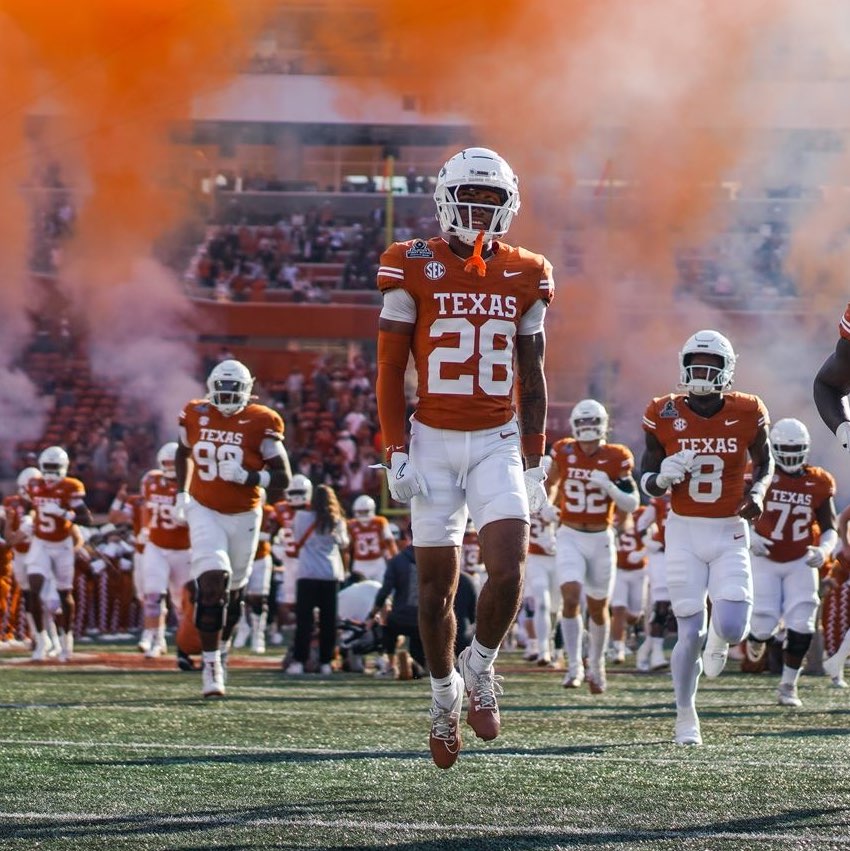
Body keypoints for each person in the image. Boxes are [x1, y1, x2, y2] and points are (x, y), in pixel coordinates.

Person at [375, 146, 554, 769]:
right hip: (431, 438)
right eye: (471, 198)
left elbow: (531, 376)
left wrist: (535, 458)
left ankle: (480, 667)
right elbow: (391, 368)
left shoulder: (527, 271)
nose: (480, 210)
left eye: (492, 200)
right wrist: (395, 451)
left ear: (509, 206)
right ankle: (442, 696)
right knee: (434, 592)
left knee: (508, 567)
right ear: (447, 198)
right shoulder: (409, 262)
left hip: (497, 438)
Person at [640, 329, 773, 746]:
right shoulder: (661, 411)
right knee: (688, 630)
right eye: (695, 364)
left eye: (710, 365)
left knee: (733, 628)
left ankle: (720, 639)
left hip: (730, 529)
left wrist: (757, 493)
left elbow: (765, 463)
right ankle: (685, 715)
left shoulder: (749, 409)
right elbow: (645, 478)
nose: (701, 372)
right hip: (683, 531)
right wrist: (661, 478)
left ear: (726, 370)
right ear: (683, 366)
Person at [175, 359, 291, 698]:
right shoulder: (194, 412)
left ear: (247, 390)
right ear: (211, 387)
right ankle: (210, 665)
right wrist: (181, 492)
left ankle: (222, 650)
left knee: (235, 592)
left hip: (244, 514)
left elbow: (282, 477)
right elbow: (183, 452)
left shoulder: (262, 420)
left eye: (233, 390)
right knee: (212, 583)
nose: (226, 397)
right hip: (204, 509)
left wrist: (249, 477)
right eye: (221, 390)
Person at [547, 399, 639, 693]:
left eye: (591, 423)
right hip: (570, 534)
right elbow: (549, 483)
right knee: (570, 596)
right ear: (575, 426)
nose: (587, 429)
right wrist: (547, 507)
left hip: (601, 537)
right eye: (582, 423)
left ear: (602, 425)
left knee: (599, 608)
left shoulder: (617, 456)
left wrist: (609, 487)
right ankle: (574, 666)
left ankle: (597, 666)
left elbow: (631, 502)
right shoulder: (564, 449)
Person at [745, 418, 837, 707]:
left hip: (800, 559)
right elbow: (737, 510)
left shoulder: (819, 480)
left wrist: (824, 549)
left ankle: (788, 686)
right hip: (765, 558)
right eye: (785, 447)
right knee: (763, 624)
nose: (791, 453)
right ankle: (756, 637)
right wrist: (749, 535)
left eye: (796, 448)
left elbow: (830, 526)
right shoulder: (760, 474)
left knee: (803, 623)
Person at [25, 446, 93, 661]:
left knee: (64, 593)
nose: (51, 473)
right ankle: (41, 639)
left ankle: (66, 640)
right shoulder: (34, 485)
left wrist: (65, 513)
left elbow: (87, 519)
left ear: (64, 468)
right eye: (48, 468)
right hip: (40, 542)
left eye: (55, 468)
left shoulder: (71, 486)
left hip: (62, 544)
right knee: (33, 586)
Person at [285, 484, 349, 675]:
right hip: (329, 573)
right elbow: (344, 543)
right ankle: (325, 662)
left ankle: (299, 661)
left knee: (304, 621)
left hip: (307, 573)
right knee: (328, 622)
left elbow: (296, 537)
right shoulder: (337, 521)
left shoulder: (301, 517)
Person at [138, 442, 191, 658]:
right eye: (166, 463)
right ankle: (156, 639)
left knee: (182, 601)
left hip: (183, 549)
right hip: (157, 546)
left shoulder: (190, 484)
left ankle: (184, 642)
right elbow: (144, 506)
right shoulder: (151, 480)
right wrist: (144, 527)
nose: (170, 467)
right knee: (153, 595)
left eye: (173, 462)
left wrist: (187, 520)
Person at [366, 530, 425, 678]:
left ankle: (391, 665)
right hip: (427, 619)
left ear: (408, 537)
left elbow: (385, 591)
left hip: (401, 617)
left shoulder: (397, 560)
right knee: (419, 651)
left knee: (387, 624)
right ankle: (425, 665)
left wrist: (373, 613)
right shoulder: (435, 558)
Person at [347, 494, 397, 581]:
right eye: (360, 512)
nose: (362, 514)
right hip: (360, 563)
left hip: (377, 562)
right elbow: (346, 548)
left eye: (365, 511)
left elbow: (390, 542)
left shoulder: (380, 522)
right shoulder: (351, 524)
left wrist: (396, 560)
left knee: (381, 589)